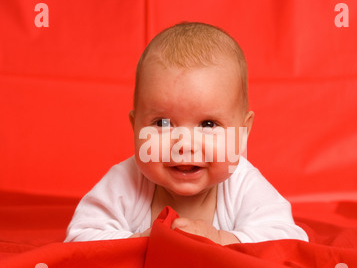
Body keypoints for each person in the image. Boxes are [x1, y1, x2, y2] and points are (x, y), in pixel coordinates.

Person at [65, 22, 308, 245]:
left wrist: (221, 239)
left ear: (242, 133)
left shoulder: (243, 183)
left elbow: (287, 239)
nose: (184, 145)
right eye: (162, 123)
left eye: (208, 124)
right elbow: (80, 236)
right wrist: (142, 241)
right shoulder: (126, 181)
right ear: (135, 127)